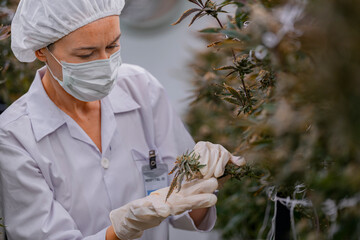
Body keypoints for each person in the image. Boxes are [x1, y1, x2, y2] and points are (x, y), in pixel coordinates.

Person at [0, 0, 245, 239]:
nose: (105, 64)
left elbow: (185, 208)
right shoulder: (15, 137)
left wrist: (201, 180)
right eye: (86, 54)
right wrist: (118, 232)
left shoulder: (141, 88)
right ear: (41, 50)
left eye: (113, 46)